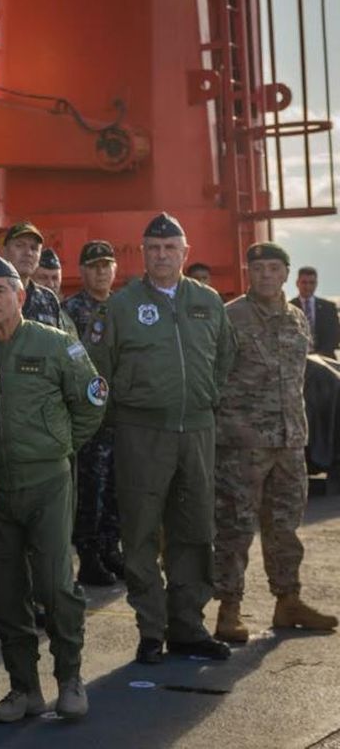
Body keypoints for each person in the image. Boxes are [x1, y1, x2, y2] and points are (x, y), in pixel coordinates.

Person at [85, 211, 236, 665]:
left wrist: (202, 400)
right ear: (144, 254)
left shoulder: (208, 302)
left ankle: (187, 627)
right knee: (141, 531)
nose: (162, 255)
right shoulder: (121, 305)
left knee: (193, 530)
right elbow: (98, 372)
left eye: (171, 248)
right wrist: (121, 417)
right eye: (154, 248)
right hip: (141, 432)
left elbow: (224, 359)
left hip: (196, 430)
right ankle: (151, 630)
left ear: (185, 254)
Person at [0, 253, 102, 723]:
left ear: (20, 296)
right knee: (5, 595)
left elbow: (91, 402)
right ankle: (23, 688)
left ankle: (70, 678)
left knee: (54, 584)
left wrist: (59, 447)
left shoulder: (54, 344)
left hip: (47, 481)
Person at [212, 242, 338, 643]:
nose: (266, 275)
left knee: (286, 527)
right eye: (258, 268)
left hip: (289, 442)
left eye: (273, 268)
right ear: (249, 272)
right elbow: (212, 379)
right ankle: (229, 608)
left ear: (286, 274)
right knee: (234, 529)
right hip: (243, 444)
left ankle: (289, 601)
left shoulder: (297, 319)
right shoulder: (230, 317)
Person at [63, 240, 124, 585]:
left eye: (107, 265)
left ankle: (110, 549)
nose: (101, 271)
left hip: (122, 415)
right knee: (90, 490)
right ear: (83, 271)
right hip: (89, 420)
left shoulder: (124, 307)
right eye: (94, 265)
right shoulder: (70, 309)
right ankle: (88, 557)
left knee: (117, 488)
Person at [0, 222, 75, 335]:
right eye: (19, 245)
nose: (28, 253)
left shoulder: (48, 299)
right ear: (4, 251)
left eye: (34, 248)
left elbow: (61, 345)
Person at [291, 266, 340, 358]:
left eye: (311, 283)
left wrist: (319, 355)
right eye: (304, 282)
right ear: (297, 283)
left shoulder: (328, 307)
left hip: (326, 359)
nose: (308, 286)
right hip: (297, 360)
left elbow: (335, 335)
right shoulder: (289, 307)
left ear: (316, 284)